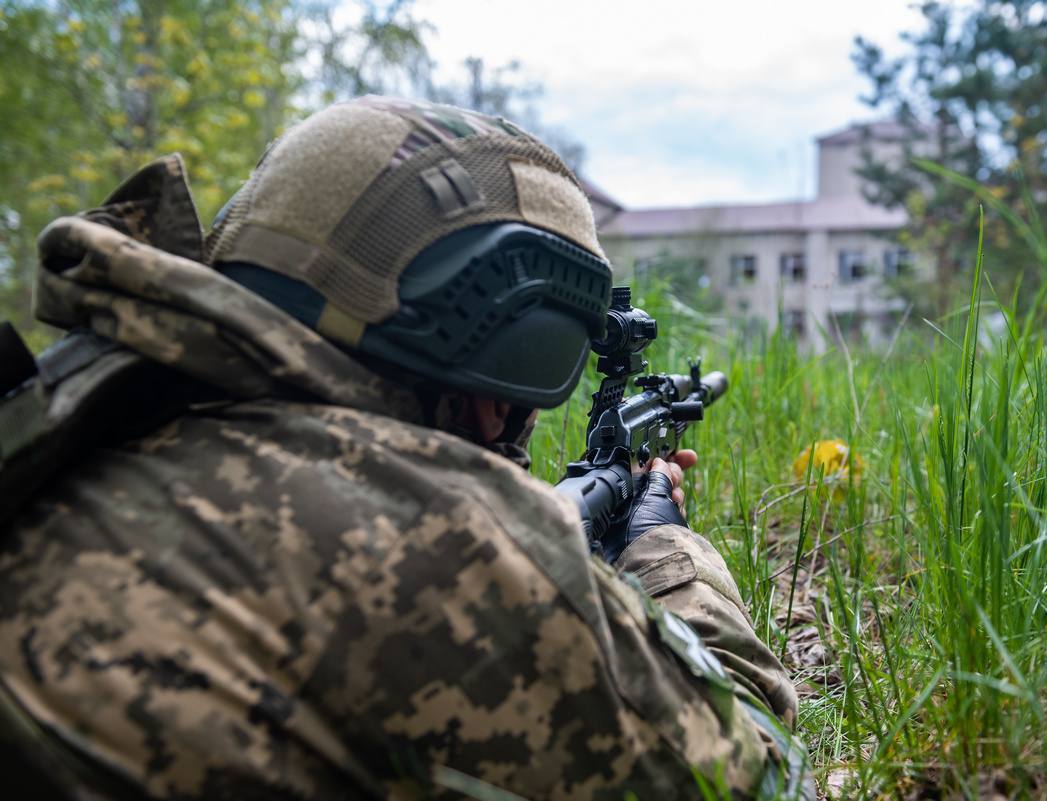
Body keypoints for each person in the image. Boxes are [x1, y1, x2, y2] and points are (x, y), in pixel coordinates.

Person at [0, 96, 812, 800]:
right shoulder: (440, 538)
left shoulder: (81, 413)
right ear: (502, 388)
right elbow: (755, 777)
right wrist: (668, 553)